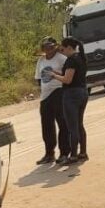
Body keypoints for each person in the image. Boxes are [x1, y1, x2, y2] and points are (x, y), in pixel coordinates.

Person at [46, 38, 89, 165]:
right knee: (79, 124)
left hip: (71, 95)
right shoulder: (81, 58)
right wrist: (56, 72)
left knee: (72, 127)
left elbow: (67, 80)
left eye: (63, 49)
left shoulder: (71, 60)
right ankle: (83, 152)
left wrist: (54, 76)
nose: (62, 52)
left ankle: (73, 155)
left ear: (69, 48)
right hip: (82, 92)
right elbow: (70, 75)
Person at [34, 37, 70, 165]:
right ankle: (49, 153)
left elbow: (68, 76)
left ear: (55, 47)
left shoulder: (62, 59)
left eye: (50, 47)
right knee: (47, 125)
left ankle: (65, 152)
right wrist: (43, 90)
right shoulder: (41, 60)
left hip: (59, 91)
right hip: (45, 95)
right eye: (45, 47)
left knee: (62, 123)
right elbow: (38, 78)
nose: (48, 50)